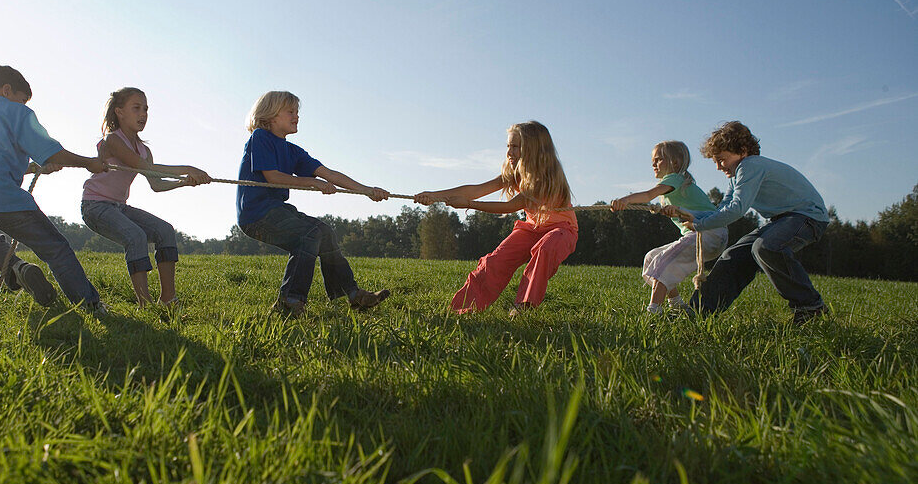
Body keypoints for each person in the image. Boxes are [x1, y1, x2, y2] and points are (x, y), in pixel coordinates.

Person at [0, 65, 109, 315]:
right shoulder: (16, 112)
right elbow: (50, 150)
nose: (23, 104)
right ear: (7, 90)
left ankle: (19, 269)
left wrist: (33, 168)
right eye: (22, 99)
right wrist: (89, 163)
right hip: (2, 197)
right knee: (55, 248)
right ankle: (90, 304)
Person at [236, 90, 391, 318]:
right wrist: (312, 182)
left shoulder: (293, 151)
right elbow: (273, 177)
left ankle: (352, 295)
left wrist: (367, 190)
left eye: (297, 112)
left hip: (277, 211)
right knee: (309, 234)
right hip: (256, 215)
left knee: (323, 232)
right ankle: (289, 301)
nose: (296, 116)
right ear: (270, 115)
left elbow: (329, 174)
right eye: (290, 111)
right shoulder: (260, 137)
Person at [662, 121, 830, 325]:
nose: (718, 167)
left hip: (808, 217)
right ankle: (698, 312)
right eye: (715, 161)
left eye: (721, 159)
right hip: (782, 220)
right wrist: (694, 217)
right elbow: (724, 206)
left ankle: (811, 308)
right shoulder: (737, 175)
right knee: (734, 256)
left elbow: (737, 209)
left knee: (767, 247)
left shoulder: (750, 166)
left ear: (742, 150)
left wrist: (699, 225)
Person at [414, 121, 577, 315]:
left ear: (533, 149)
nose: (509, 152)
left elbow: (510, 206)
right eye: (508, 146)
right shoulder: (516, 174)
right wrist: (435, 196)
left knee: (545, 248)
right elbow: (476, 190)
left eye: (516, 147)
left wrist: (469, 205)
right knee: (495, 261)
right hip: (531, 229)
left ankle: (525, 306)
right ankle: (462, 309)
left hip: (561, 230)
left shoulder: (546, 177)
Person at [81, 87, 211, 307]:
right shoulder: (113, 140)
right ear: (120, 112)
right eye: (137, 108)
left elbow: (156, 184)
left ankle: (168, 300)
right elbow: (140, 166)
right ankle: (145, 305)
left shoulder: (143, 149)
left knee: (165, 231)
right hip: (95, 206)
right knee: (136, 236)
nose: (143, 114)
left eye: (146, 109)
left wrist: (183, 182)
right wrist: (188, 168)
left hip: (119, 207)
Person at [609, 141, 727, 315]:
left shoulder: (675, 178)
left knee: (663, 263)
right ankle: (676, 303)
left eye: (658, 159)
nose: (653, 164)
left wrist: (625, 200)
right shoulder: (674, 187)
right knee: (652, 258)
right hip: (706, 235)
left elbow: (649, 195)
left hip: (708, 233)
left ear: (675, 162)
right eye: (653, 160)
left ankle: (653, 312)